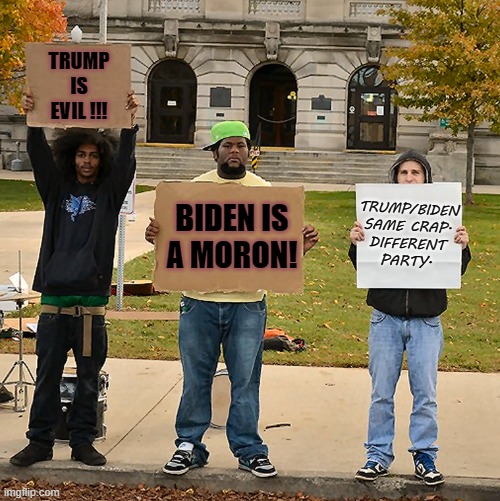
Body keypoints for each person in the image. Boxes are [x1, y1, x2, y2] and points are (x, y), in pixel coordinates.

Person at [145, 120, 319, 478]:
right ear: (214, 152)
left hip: (248, 304)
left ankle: (249, 449)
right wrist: (158, 238)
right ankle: (189, 445)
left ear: (249, 151)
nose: (234, 151)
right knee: (196, 377)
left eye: (241, 145)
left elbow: (271, 251)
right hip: (198, 302)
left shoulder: (265, 193)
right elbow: (176, 243)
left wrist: (298, 248)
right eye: (227, 146)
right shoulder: (191, 192)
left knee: (245, 380)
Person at [10, 90, 140, 467]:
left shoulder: (110, 193)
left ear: (102, 158)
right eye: (81, 154)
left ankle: (83, 441)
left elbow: (127, 164)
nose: (87, 161)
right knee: (47, 377)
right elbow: (38, 157)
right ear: (71, 157)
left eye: (94, 155)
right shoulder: (55, 190)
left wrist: (129, 124)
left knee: (87, 378)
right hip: (53, 304)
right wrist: (32, 121)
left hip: (90, 306)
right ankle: (40, 442)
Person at [348, 150, 471, 486]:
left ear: (426, 178)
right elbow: (367, 267)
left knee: (425, 393)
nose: (410, 178)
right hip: (385, 318)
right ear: (395, 177)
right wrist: (358, 243)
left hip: (427, 321)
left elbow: (454, 271)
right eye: (404, 172)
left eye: (416, 172)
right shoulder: (378, 214)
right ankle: (377, 455)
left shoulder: (443, 217)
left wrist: (461, 246)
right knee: (381, 392)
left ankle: (425, 454)